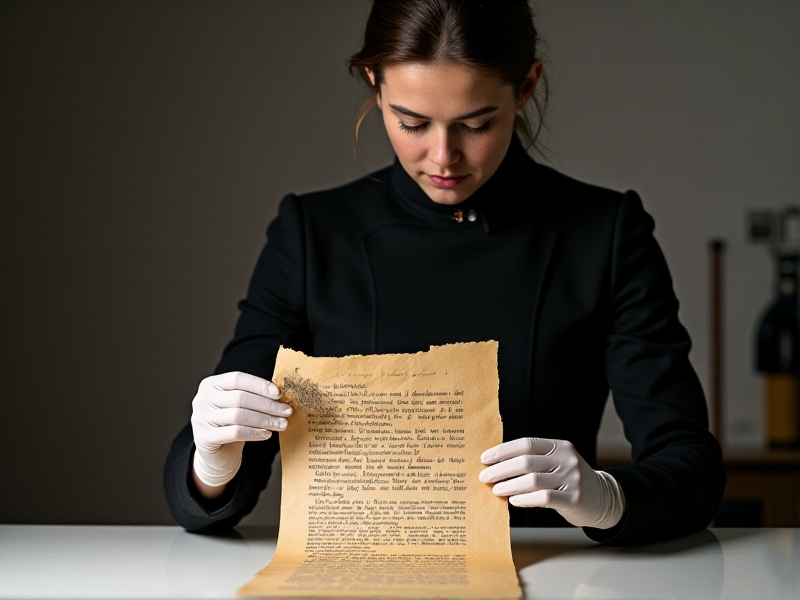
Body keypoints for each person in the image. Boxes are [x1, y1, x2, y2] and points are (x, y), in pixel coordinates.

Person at [164, 0, 724, 546]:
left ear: (526, 86)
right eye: (411, 123)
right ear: (373, 83)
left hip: (546, 574)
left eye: (476, 124)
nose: (442, 157)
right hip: (352, 582)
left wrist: (606, 497)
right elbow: (206, 502)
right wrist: (212, 462)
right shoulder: (312, 233)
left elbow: (692, 469)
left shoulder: (605, 233)